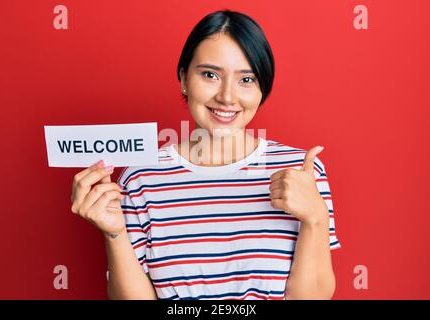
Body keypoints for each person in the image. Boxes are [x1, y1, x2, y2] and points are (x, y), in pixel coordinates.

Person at [70, 9, 341, 300]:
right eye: (210, 75)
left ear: (263, 88)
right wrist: (115, 234)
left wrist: (315, 218)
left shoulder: (301, 171)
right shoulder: (141, 177)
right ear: (184, 78)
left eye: (246, 80)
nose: (227, 96)